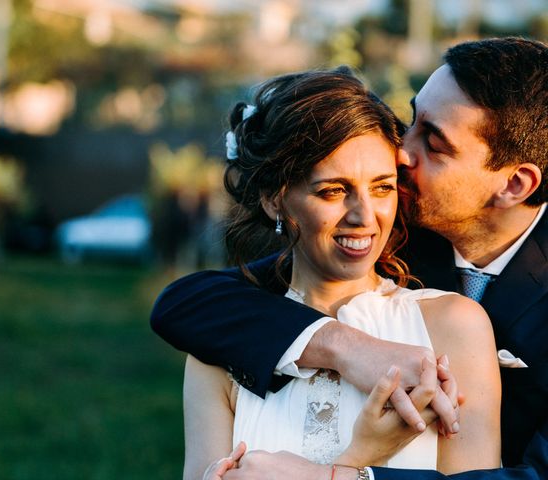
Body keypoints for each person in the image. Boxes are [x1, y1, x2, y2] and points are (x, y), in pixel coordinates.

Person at [151, 37, 548, 480]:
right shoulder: (387, 224)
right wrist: (349, 347)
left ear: (515, 185)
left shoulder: (449, 315)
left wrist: (344, 472)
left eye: (433, 142)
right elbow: (186, 303)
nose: (400, 152)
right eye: (411, 120)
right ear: (274, 200)